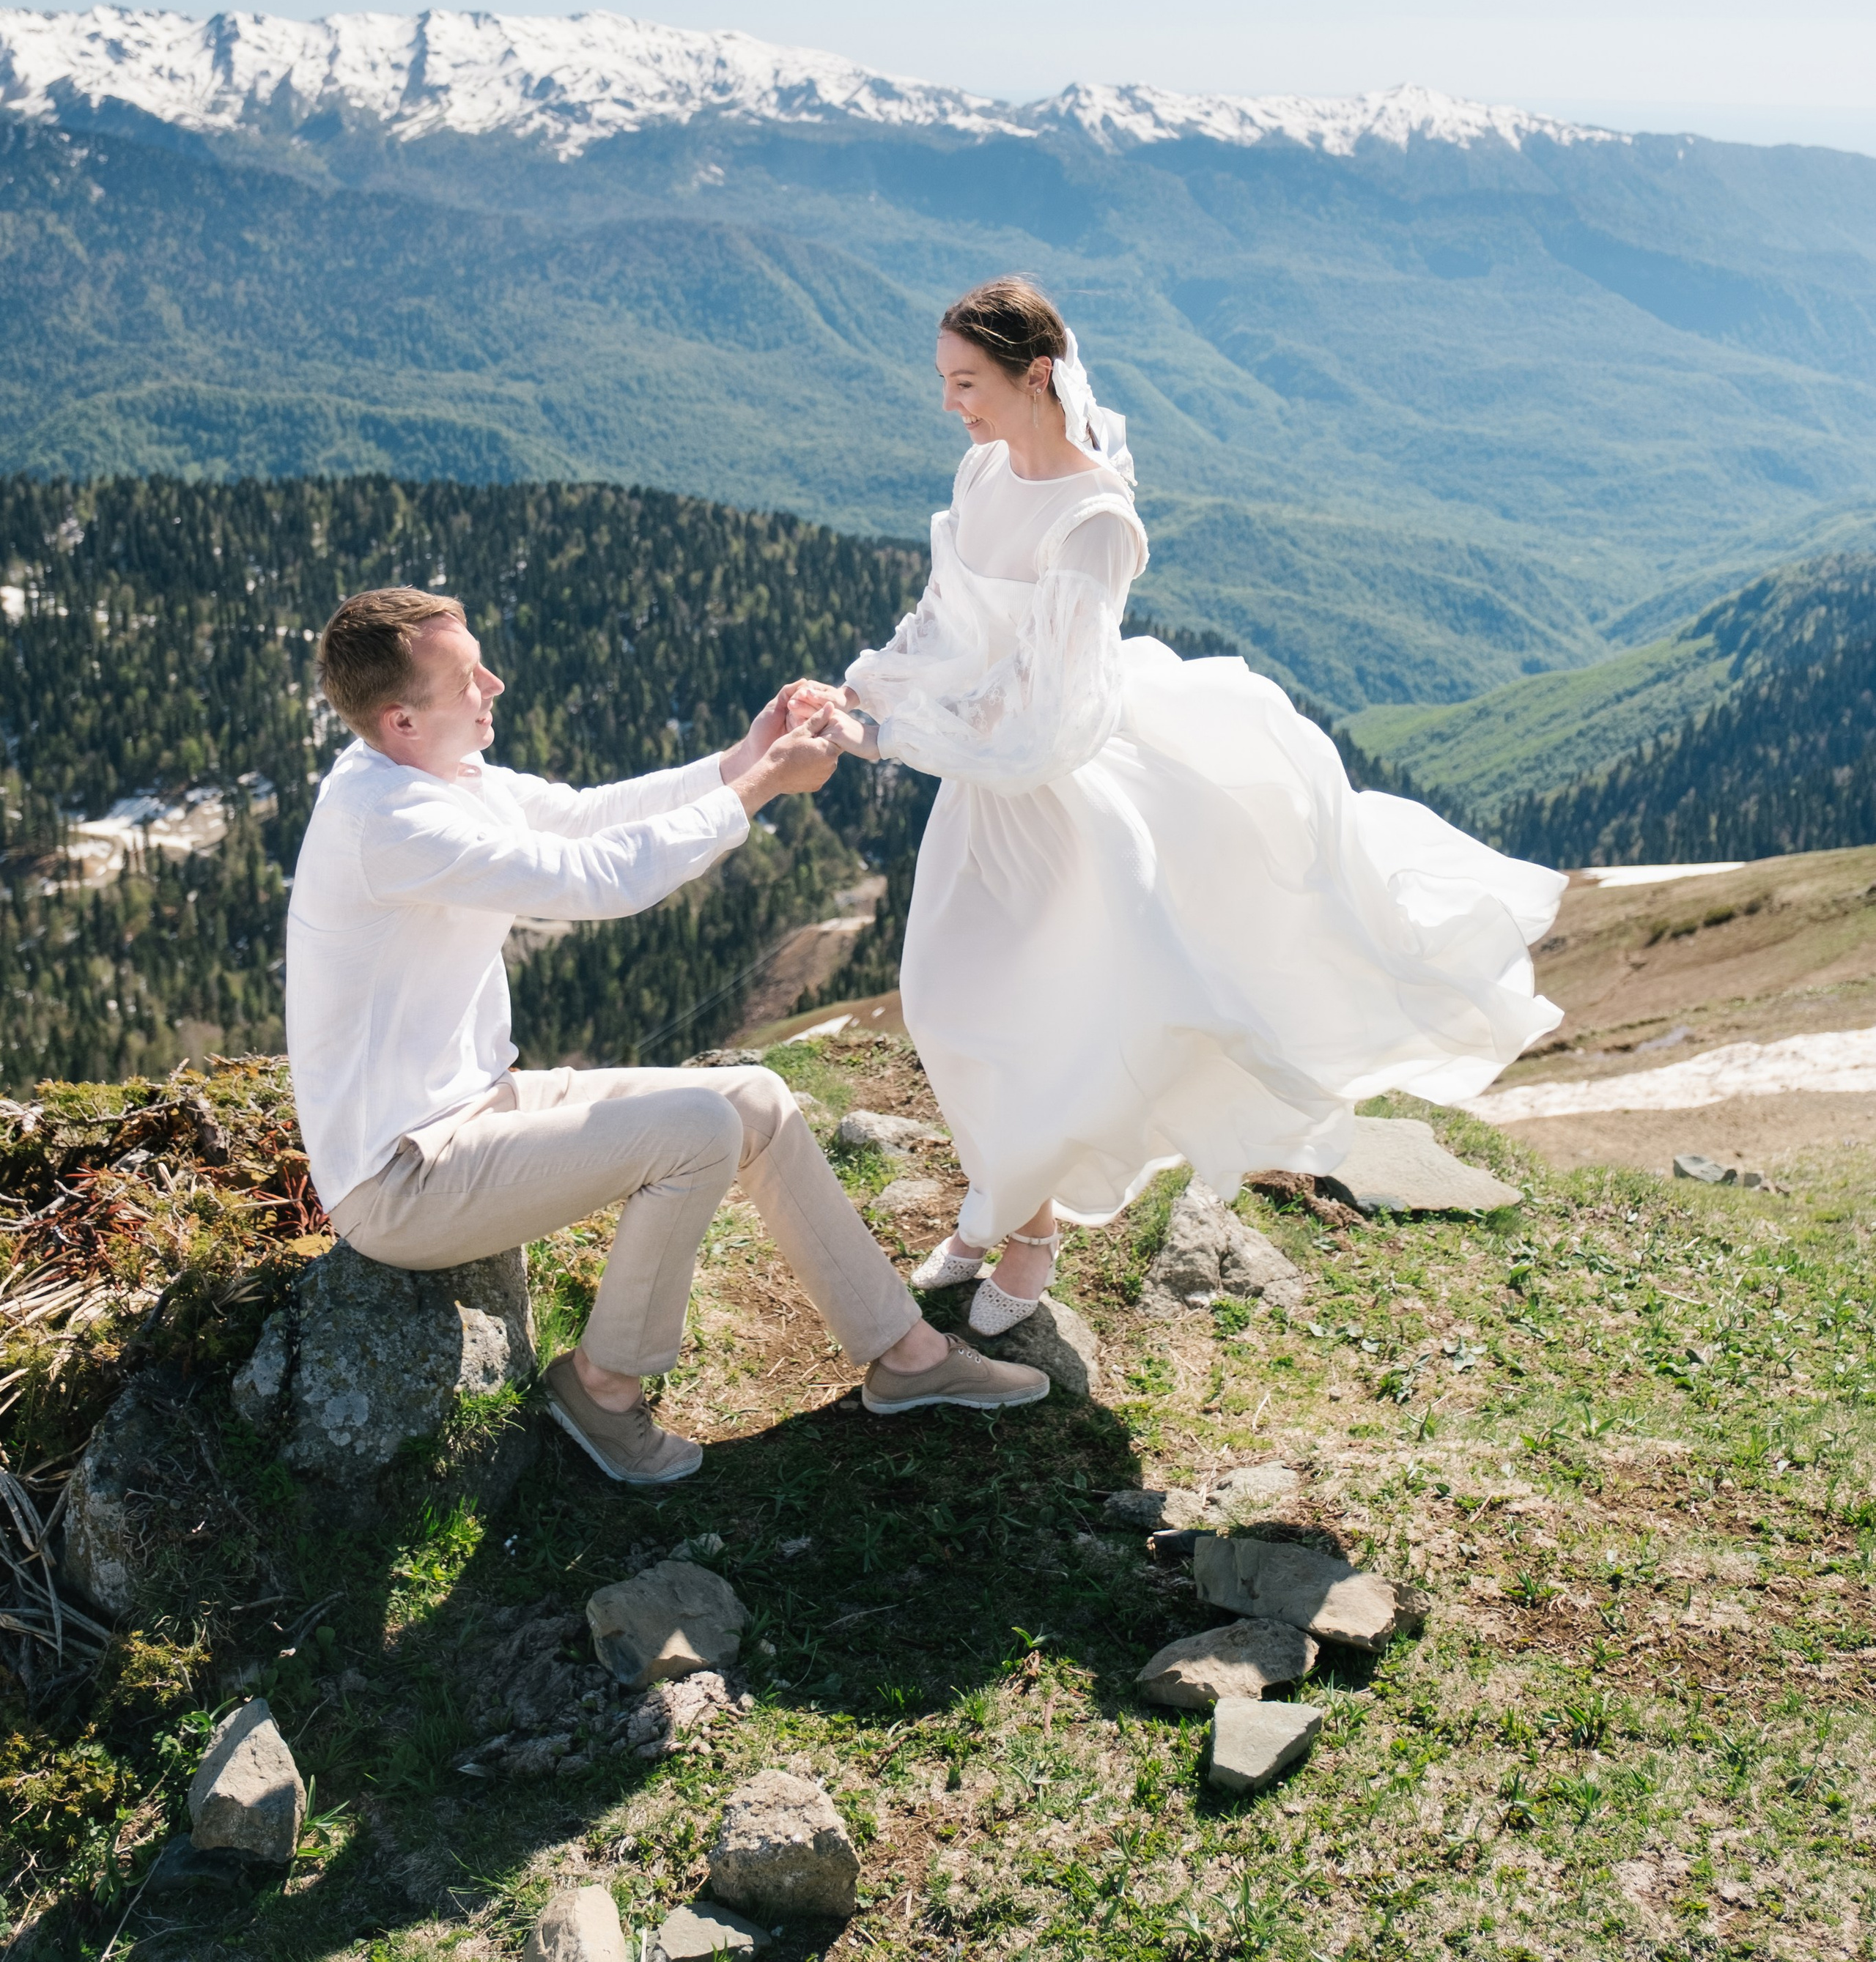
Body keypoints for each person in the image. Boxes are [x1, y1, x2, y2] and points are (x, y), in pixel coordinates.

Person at [791, 276, 1567, 1336]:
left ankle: (1027, 1227)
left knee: (1045, 1017)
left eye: (967, 382)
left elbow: (1047, 716)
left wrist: (894, 737)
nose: (950, 404)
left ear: (1038, 377)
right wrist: (866, 690)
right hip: (983, 783)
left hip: (1058, 799)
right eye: (945, 381)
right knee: (941, 998)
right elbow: (947, 621)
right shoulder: (981, 473)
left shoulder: (1096, 517)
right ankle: (1004, 1197)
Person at [284, 585, 1048, 1488]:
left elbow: (586, 816)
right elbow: (596, 877)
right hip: (400, 1180)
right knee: (697, 1131)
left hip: (475, 1110)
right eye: (466, 680)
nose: (494, 683)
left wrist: (744, 755)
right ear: (402, 718)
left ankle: (906, 1357)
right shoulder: (394, 821)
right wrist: (762, 788)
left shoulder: (433, 773)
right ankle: (603, 1389)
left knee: (754, 1100)